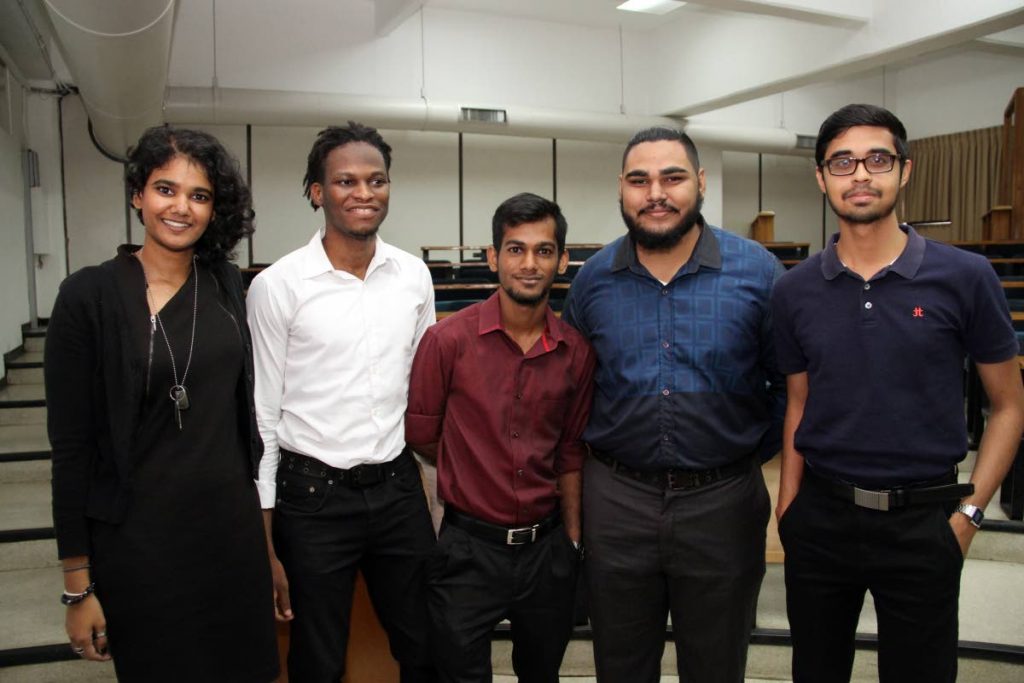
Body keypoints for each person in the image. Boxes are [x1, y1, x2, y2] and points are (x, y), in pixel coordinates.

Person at [771, 103, 1024, 682]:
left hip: (925, 522)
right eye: (842, 162)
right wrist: (789, 508)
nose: (860, 174)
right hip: (822, 518)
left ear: (903, 171)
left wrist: (969, 514)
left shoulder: (965, 277)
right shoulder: (794, 290)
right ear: (821, 178)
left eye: (876, 159)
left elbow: (1009, 405)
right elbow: (799, 402)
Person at [45, 126, 279, 682]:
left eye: (199, 196)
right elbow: (71, 451)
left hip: (228, 536)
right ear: (137, 195)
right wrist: (77, 585)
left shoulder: (224, 283)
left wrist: (265, 544)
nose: (181, 207)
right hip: (140, 545)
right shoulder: (88, 296)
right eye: (164, 189)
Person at [561, 127, 785, 683]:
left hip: (723, 504)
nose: (655, 192)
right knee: (620, 663)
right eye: (640, 180)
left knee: (716, 664)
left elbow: (789, 387)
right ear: (621, 189)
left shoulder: (758, 273)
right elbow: (572, 391)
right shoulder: (592, 282)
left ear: (700, 183)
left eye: (672, 177)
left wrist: (738, 460)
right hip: (616, 503)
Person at [246, 121, 437, 683]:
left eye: (375, 180)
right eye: (345, 181)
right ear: (316, 192)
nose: (363, 192)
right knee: (318, 657)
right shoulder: (278, 286)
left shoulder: (413, 277)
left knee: (426, 644)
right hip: (312, 498)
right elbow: (263, 412)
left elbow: (425, 393)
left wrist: (435, 493)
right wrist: (266, 535)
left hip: (399, 490)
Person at [406, 192, 596, 683]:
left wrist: (573, 545)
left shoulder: (575, 351)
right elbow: (424, 436)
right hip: (467, 550)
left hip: (546, 550)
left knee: (542, 674)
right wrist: (475, 471)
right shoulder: (446, 342)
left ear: (562, 260)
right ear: (493, 257)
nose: (529, 264)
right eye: (515, 249)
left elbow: (571, 454)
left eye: (543, 250)